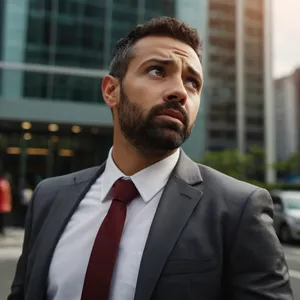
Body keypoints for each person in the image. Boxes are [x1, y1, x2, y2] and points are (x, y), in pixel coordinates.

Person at [8, 17, 293, 300]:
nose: (180, 91)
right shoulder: (49, 197)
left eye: (192, 82)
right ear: (111, 91)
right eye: (157, 71)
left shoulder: (238, 210)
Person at [0, 171, 12, 237]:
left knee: (2, 219)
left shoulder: (2, 183)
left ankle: (2, 231)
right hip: (5, 204)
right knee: (3, 219)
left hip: (2, 204)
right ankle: (2, 231)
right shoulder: (6, 183)